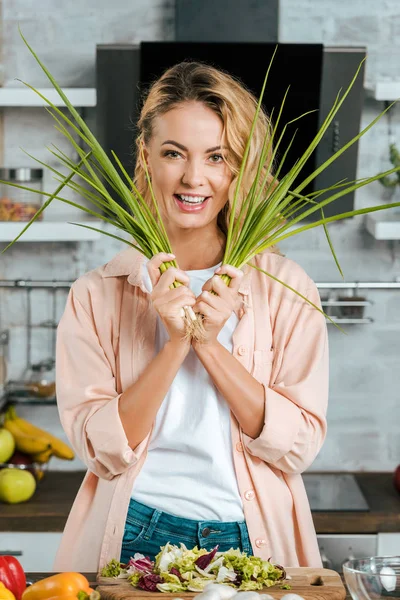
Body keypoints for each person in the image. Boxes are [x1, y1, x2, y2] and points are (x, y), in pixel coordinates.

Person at [53, 61, 328, 573]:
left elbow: (298, 447)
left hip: (253, 533)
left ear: (239, 167)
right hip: (134, 527)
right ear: (147, 158)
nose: (193, 178)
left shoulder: (286, 288)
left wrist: (207, 341)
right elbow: (102, 451)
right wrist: (177, 340)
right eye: (174, 153)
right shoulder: (96, 293)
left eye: (217, 157)